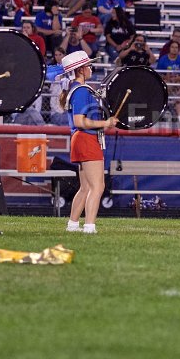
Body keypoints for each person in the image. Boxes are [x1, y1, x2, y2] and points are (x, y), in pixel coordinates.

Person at [60, 51, 116, 234]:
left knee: (85, 188)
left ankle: (73, 225)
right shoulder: (81, 90)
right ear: (81, 70)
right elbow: (79, 121)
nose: (91, 68)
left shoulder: (77, 89)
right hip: (86, 138)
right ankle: (89, 226)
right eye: (89, 66)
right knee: (97, 186)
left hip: (80, 139)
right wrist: (105, 123)